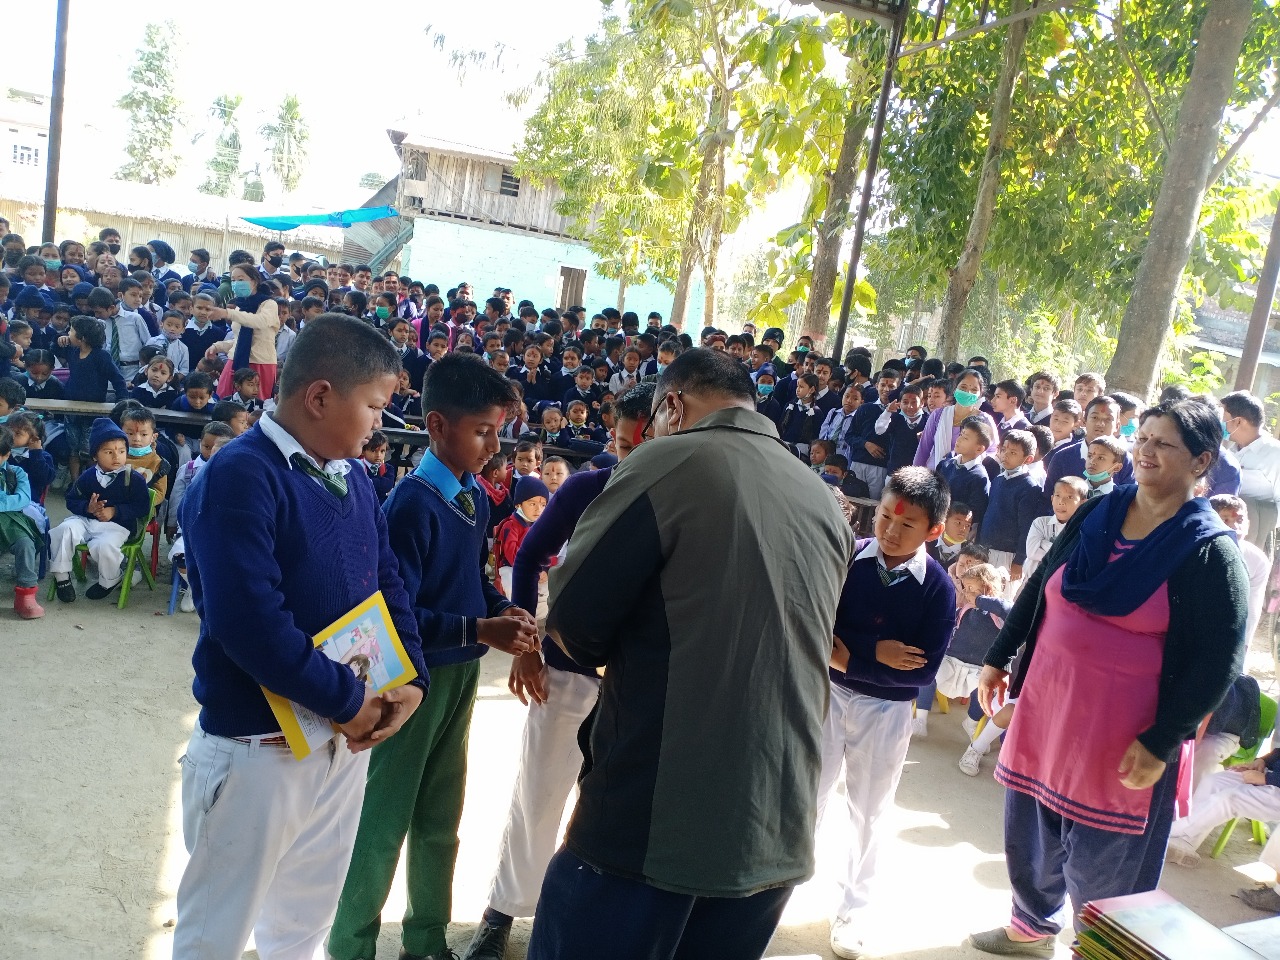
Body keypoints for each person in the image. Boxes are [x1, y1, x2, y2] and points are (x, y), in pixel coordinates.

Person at [527, 348, 853, 960]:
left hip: (657, 810)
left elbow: (574, 621)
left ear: (672, 406)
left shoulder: (668, 460)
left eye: (652, 421)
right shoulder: (820, 496)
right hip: (778, 815)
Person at [169, 315, 429, 959]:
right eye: (374, 406)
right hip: (258, 746)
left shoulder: (355, 476)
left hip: (340, 740)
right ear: (319, 397)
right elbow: (249, 623)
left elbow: (388, 581)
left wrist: (411, 678)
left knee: (302, 924)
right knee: (214, 934)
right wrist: (348, 700)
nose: (379, 425)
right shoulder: (239, 475)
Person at [970, 399, 1249, 958]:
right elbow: (1042, 584)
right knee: (1033, 836)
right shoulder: (1098, 512)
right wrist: (1000, 654)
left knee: (1109, 867)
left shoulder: (1208, 552)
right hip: (1049, 710)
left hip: (1126, 740)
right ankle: (1031, 927)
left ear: (1201, 461)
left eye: (1164, 443)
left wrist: (1162, 740)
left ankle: (1101, 952)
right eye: (1142, 438)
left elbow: (1219, 662)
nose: (1146, 451)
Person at [330, 354, 539, 960]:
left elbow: (471, 579)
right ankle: (350, 945)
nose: (494, 446)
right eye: (483, 431)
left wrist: (502, 607)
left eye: (499, 432)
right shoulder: (411, 505)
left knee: (442, 816)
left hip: (463, 673)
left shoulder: (473, 496)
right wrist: (481, 627)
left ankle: (425, 940)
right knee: (382, 820)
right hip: (413, 681)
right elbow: (398, 616)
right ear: (438, 426)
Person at [461, 383, 656, 960]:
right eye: (623, 444)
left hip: (639, 680)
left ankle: (589, 918)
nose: (630, 457)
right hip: (568, 668)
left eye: (643, 446)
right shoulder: (586, 487)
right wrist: (527, 646)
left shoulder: (682, 498)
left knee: (617, 804)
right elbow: (527, 557)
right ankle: (502, 912)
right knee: (539, 791)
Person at [820, 467, 957, 958]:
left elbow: (920, 672)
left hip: (886, 711)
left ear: (933, 530)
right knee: (806, 793)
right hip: (828, 694)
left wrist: (849, 657)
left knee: (869, 810)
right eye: (884, 516)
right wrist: (872, 653)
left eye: (907, 524)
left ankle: (853, 907)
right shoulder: (848, 558)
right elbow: (819, 624)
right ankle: (779, 883)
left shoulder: (937, 588)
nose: (890, 531)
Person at [48, 418, 150, 603]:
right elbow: (71, 499)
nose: (116, 457)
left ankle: (109, 580)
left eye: (121, 451)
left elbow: (142, 507)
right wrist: (87, 507)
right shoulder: (88, 476)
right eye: (109, 452)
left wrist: (115, 511)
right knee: (64, 530)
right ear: (95, 456)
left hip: (116, 527)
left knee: (104, 546)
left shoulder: (133, 479)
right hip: (86, 521)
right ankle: (62, 577)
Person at [977, 429, 1047, 582]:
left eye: (1013, 453)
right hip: (985, 549)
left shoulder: (1029, 487)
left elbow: (1027, 527)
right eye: (1004, 450)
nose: (1005, 455)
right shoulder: (998, 480)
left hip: (1008, 555)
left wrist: (1019, 560)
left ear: (1028, 459)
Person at [205, 265, 281, 401]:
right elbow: (240, 339)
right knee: (225, 401)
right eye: (233, 280)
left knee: (255, 405)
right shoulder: (240, 306)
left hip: (260, 363)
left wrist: (227, 313)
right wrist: (218, 346)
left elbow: (259, 321)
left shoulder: (269, 304)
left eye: (240, 279)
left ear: (254, 281)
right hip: (235, 361)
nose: (236, 283)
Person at [1210, 494, 1271, 644]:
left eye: (1240, 520)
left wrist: (1243, 644)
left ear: (1248, 525)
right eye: (1225, 520)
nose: (1235, 528)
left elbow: (1251, 607)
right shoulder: (1195, 553)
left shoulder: (1257, 560)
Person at [1223, 391, 1280, 550]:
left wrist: (1255, 526)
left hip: (1257, 542)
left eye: (1224, 418)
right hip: (1227, 535)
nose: (1221, 423)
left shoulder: (1275, 454)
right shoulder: (1231, 452)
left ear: (1238, 421)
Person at [914, 367, 1000, 469]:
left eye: (974, 390)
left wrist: (969, 461)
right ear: (955, 389)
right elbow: (923, 449)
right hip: (934, 474)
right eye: (963, 387)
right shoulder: (938, 415)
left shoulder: (985, 420)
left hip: (967, 475)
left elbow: (992, 452)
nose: (968, 392)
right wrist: (915, 473)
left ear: (980, 395)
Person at [0, 425, 44, 619]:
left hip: (13, 520)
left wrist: (2, 503)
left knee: (26, 544)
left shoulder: (17, 473)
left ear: (6, 455)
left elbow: (23, 498)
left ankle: (25, 595)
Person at [1022, 476, 1088, 583]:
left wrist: (1043, 544)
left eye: (1069, 497)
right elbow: (1031, 552)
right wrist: (1062, 551)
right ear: (1052, 499)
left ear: (1083, 503)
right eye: (1058, 495)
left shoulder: (1082, 530)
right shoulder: (1040, 523)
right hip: (1030, 583)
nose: (1061, 502)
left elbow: (1072, 560)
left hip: (1059, 586)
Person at [937, 416, 994, 532]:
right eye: (961, 435)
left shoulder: (979, 477)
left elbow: (976, 512)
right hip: (937, 522)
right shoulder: (946, 464)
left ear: (979, 449)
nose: (959, 440)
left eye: (966, 438)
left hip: (956, 532)